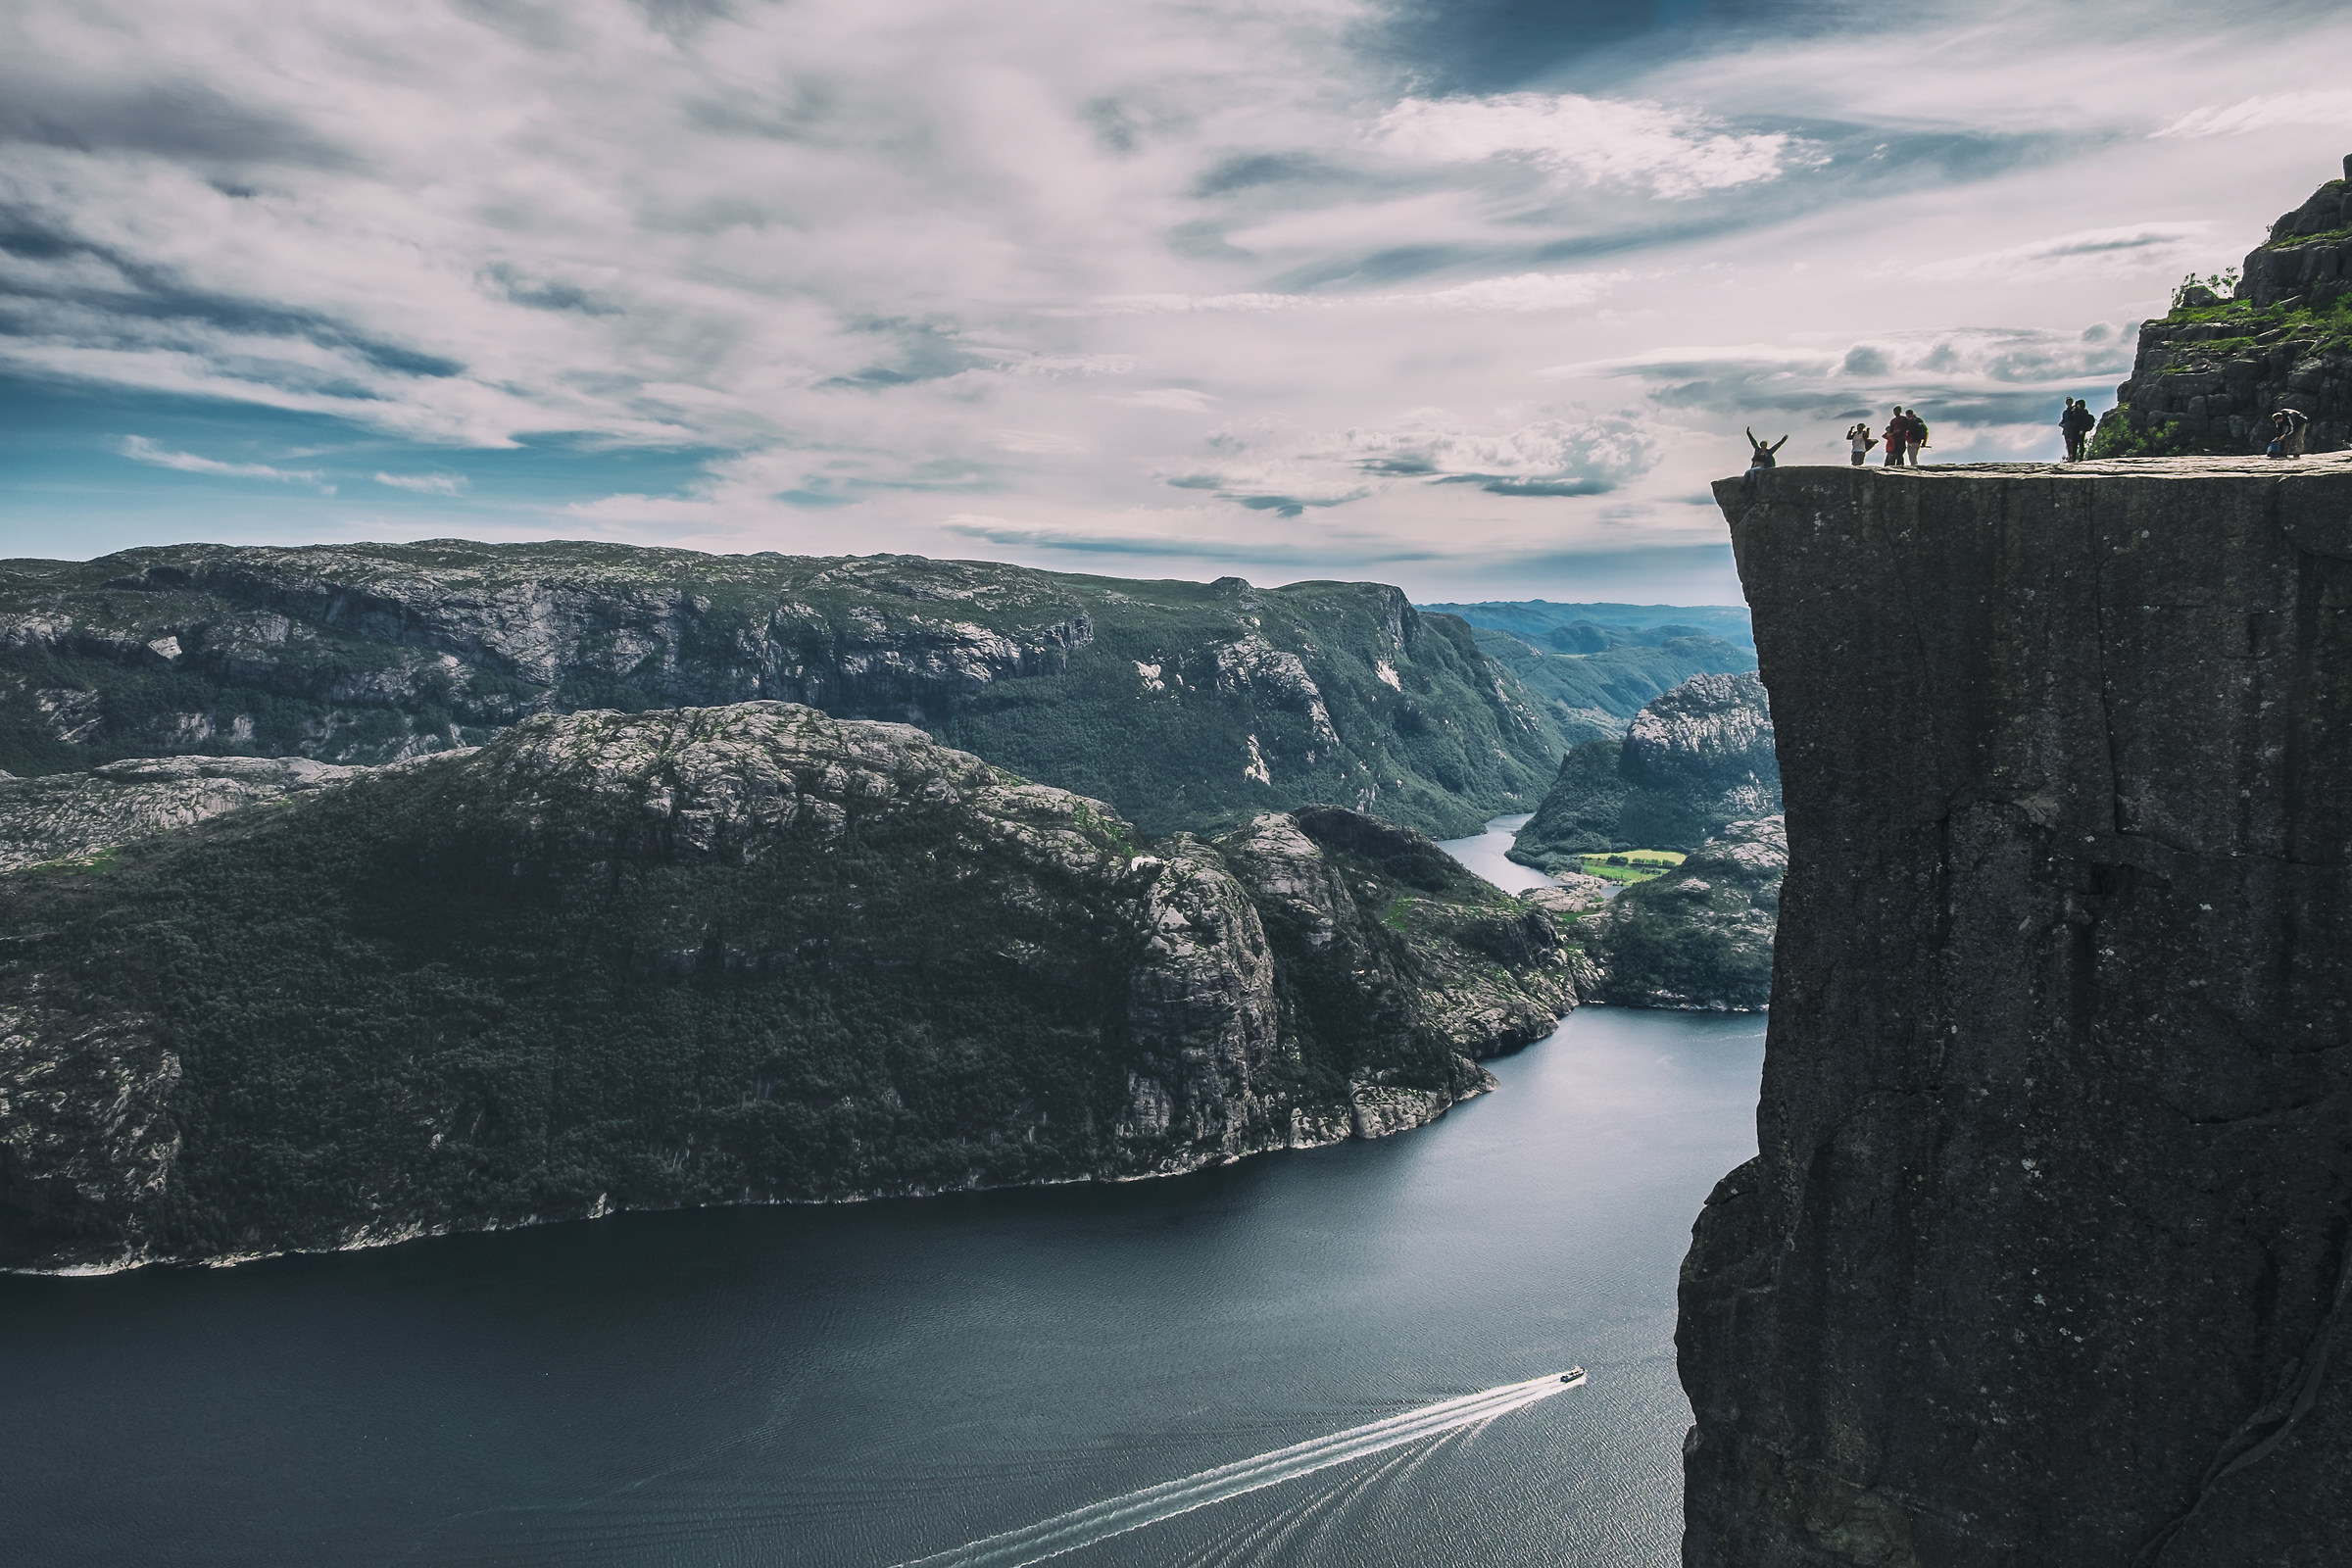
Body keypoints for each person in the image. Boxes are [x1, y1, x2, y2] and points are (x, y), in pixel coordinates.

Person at [2060, 398, 2097, 462]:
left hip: (2080, 430)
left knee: (2081, 443)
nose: (2078, 405)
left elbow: (2084, 421)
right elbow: (2069, 419)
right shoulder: (2074, 411)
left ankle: (2081, 457)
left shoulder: (2084, 412)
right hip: (2074, 430)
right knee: (2074, 444)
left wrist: (2082, 429)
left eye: (2079, 404)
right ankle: (2073, 458)